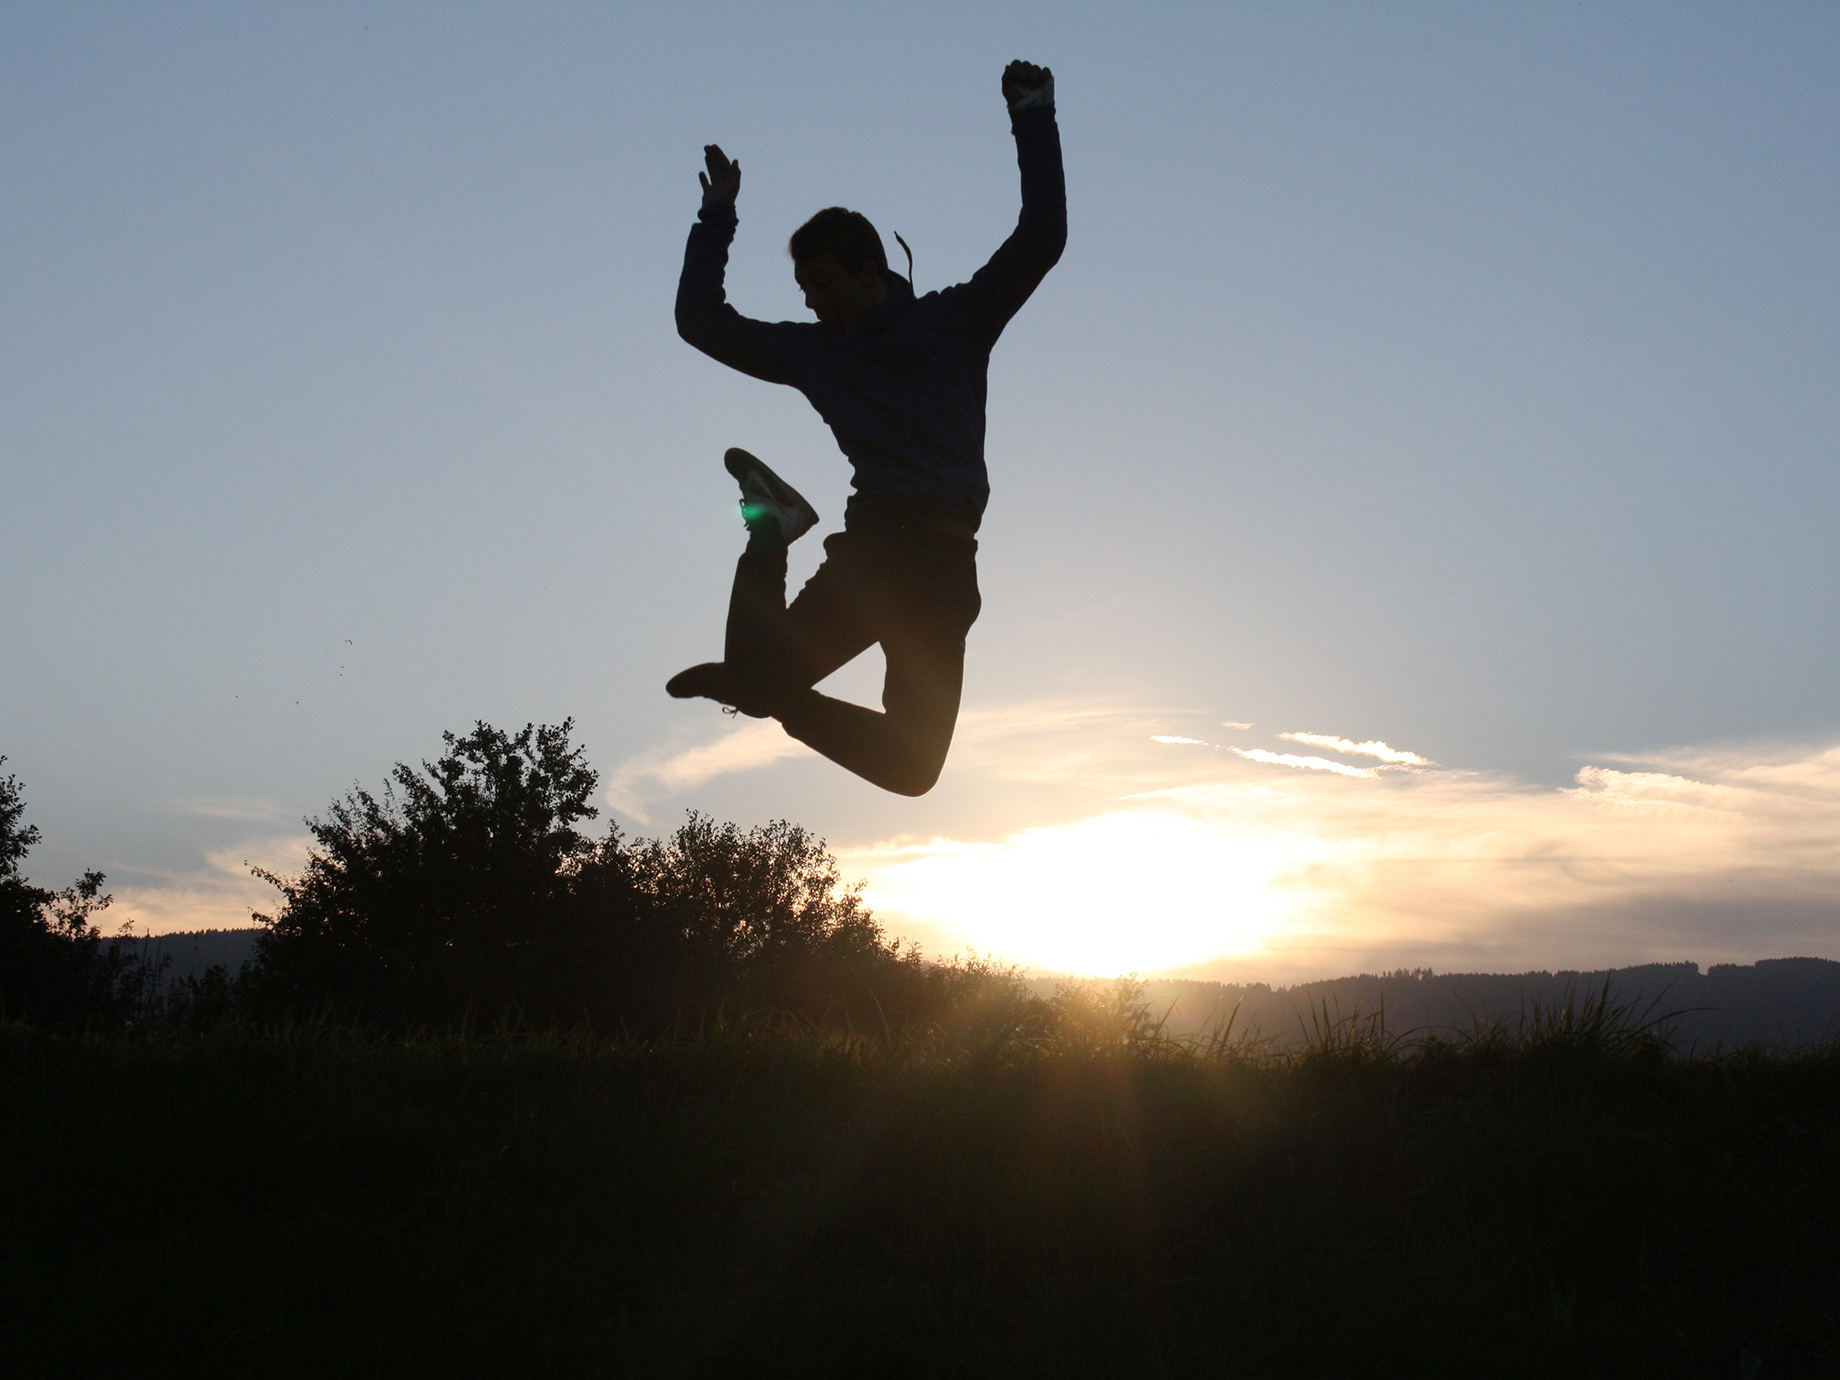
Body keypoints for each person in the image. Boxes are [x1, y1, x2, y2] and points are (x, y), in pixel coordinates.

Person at [668, 59, 1065, 796]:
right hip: (880, 553)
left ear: (866, 273)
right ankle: (772, 531)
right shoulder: (817, 352)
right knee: (756, 685)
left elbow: (1041, 237)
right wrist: (717, 215)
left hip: (947, 571)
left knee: (912, 768)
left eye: (820, 284)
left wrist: (1033, 113)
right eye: (803, 290)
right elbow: (700, 321)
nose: (812, 304)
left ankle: (767, 673)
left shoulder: (955, 321)